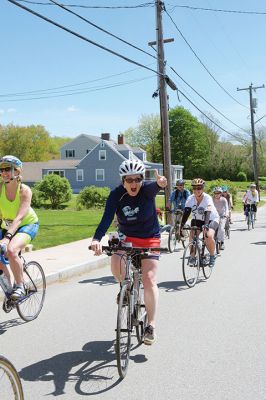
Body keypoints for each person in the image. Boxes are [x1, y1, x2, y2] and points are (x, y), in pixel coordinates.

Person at [90, 159, 167, 345]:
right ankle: (126, 287)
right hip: (128, 237)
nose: (133, 184)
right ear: (123, 180)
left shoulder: (147, 189)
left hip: (150, 237)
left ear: (142, 179)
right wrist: (96, 239)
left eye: (137, 179)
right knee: (116, 263)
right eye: (129, 180)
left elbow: (158, 185)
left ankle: (151, 326)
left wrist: (161, 183)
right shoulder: (116, 194)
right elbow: (107, 218)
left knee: (149, 278)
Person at [0, 155, 39, 302]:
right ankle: (9, 291)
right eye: (1, 169)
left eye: (7, 169)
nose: (4, 173)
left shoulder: (24, 190)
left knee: (11, 249)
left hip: (27, 224)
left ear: (17, 171)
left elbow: (19, 218)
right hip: (7, 226)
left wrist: (6, 238)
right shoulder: (0, 188)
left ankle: (21, 286)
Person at [180, 178, 219, 268]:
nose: (197, 190)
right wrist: (181, 225)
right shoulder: (190, 198)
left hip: (211, 218)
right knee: (192, 235)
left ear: (203, 188)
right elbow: (186, 212)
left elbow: (208, 211)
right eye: (195, 188)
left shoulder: (207, 198)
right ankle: (193, 256)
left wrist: (206, 225)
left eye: (199, 188)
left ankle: (212, 255)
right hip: (197, 219)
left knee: (208, 236)